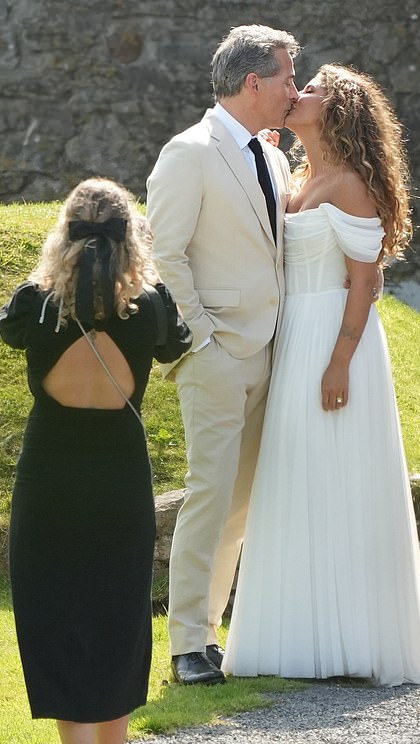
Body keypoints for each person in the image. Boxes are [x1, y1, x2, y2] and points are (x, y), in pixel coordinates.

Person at [223, 65, 420, 685]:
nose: (300, 92)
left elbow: (366, 279)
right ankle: (298, 633)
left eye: (316, 88)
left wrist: (340, 359)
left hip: (333, 339)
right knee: (295, 472)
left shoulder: (351, 184)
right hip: (295, 335)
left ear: (340, 110)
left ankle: (350, 639)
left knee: (337, 474)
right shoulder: (300, 176)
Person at [0, 178, 191, 744]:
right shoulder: (152, 305)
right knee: (117, 619)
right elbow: (176, 343)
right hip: (118, 478)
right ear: (132, 235)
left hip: (49, 474)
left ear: (65, 231)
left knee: (56, 617)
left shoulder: (35, 302)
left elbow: (9, 330)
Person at [145, 25, 301, 685]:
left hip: (271, 353)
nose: (296, 90)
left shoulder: (273, 155)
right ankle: (184, 648)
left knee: (239, 504)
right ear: (254, 81)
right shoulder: (188, 152)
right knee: (209, 495)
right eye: (289, 78)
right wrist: (203, 337)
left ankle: (210, 638)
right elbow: (164, 253)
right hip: (214, 355)